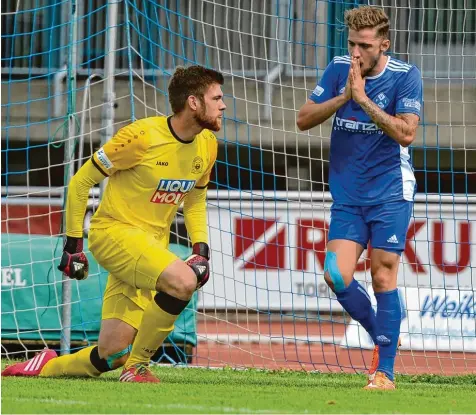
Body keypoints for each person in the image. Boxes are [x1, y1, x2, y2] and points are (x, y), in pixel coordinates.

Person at [2, 65, 226, 383]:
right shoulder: (141, 136)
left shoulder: (207, 145)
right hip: (114, 235)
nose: (223, 105)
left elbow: (195, 200)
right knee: (183, 281)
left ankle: (45, 366)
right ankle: (138, 368)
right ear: (193, 102)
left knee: (111, 353)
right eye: (216, 97)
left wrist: (200, 248)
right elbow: (81, 182)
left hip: (149, 247)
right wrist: (72, 244)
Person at [297, 5, 422, 390]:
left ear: (383, 45)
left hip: (389, 192)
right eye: (351, 43)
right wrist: (344, 98)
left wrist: (364, 100)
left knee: (383, 275)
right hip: (348, 195)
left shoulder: (406, 77)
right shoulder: (339, 68)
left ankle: (384, 372)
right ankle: (382, 335)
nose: (356, 53)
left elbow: (406, 133)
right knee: (335, 275)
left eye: (364, 46)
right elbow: (303, 119)